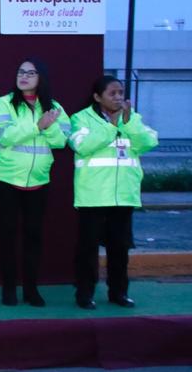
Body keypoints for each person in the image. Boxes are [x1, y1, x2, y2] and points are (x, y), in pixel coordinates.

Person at [69, 76, 158, 310]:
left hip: (124, 195)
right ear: (97, 97)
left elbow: (148, 142)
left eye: (121, 93)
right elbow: (82, 146)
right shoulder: (81, 118)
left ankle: (119, 293)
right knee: (88, 249)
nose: (118, 98)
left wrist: (127, 123)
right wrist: (112, 125)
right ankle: (84, 294)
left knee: (120, 248)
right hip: (93, 196)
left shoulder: (131, 118)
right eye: (112, 93)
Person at [0, 58, 69, 307]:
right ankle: (9, 289)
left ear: (41, 77)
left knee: (33, 236)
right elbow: (4, 135)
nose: (23, 77)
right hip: (6, 179)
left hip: (39, 180)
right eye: (20, 72)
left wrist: (48, 127)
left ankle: (31, 289)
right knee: (7, 235)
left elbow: (61, 141)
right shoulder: (4, 103)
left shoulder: (54, 107)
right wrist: (38, 126)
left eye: (30, 73)